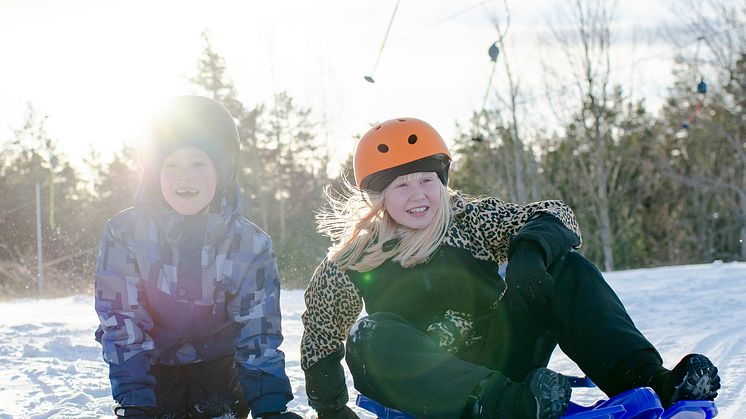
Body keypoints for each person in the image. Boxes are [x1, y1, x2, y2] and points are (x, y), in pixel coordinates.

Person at [300, 117, 720, 419]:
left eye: (427, 179)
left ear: (442, 180)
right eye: (401, 185)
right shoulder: (354, 258)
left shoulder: (469, 219)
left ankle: (650, 383)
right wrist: (332, 411)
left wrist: (528, 253)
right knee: (369, 334)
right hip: (430, 385)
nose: (418, 194)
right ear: (379, 197)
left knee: (565, 267)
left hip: (502, 356)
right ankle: (515, 407)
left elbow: (556, 215)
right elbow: (320, 339)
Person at [94, 95, 302, 419]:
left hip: (218, 365)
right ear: (154, 173)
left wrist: (271, 407)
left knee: (217, 407)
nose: (185, 176)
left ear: (221, 171)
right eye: (172, 164)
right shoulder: (125, 234)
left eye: (199, 163)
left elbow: (257, 332)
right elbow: (122, 322)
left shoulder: (249, 244)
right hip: (153, 366)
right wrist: (135, 401)